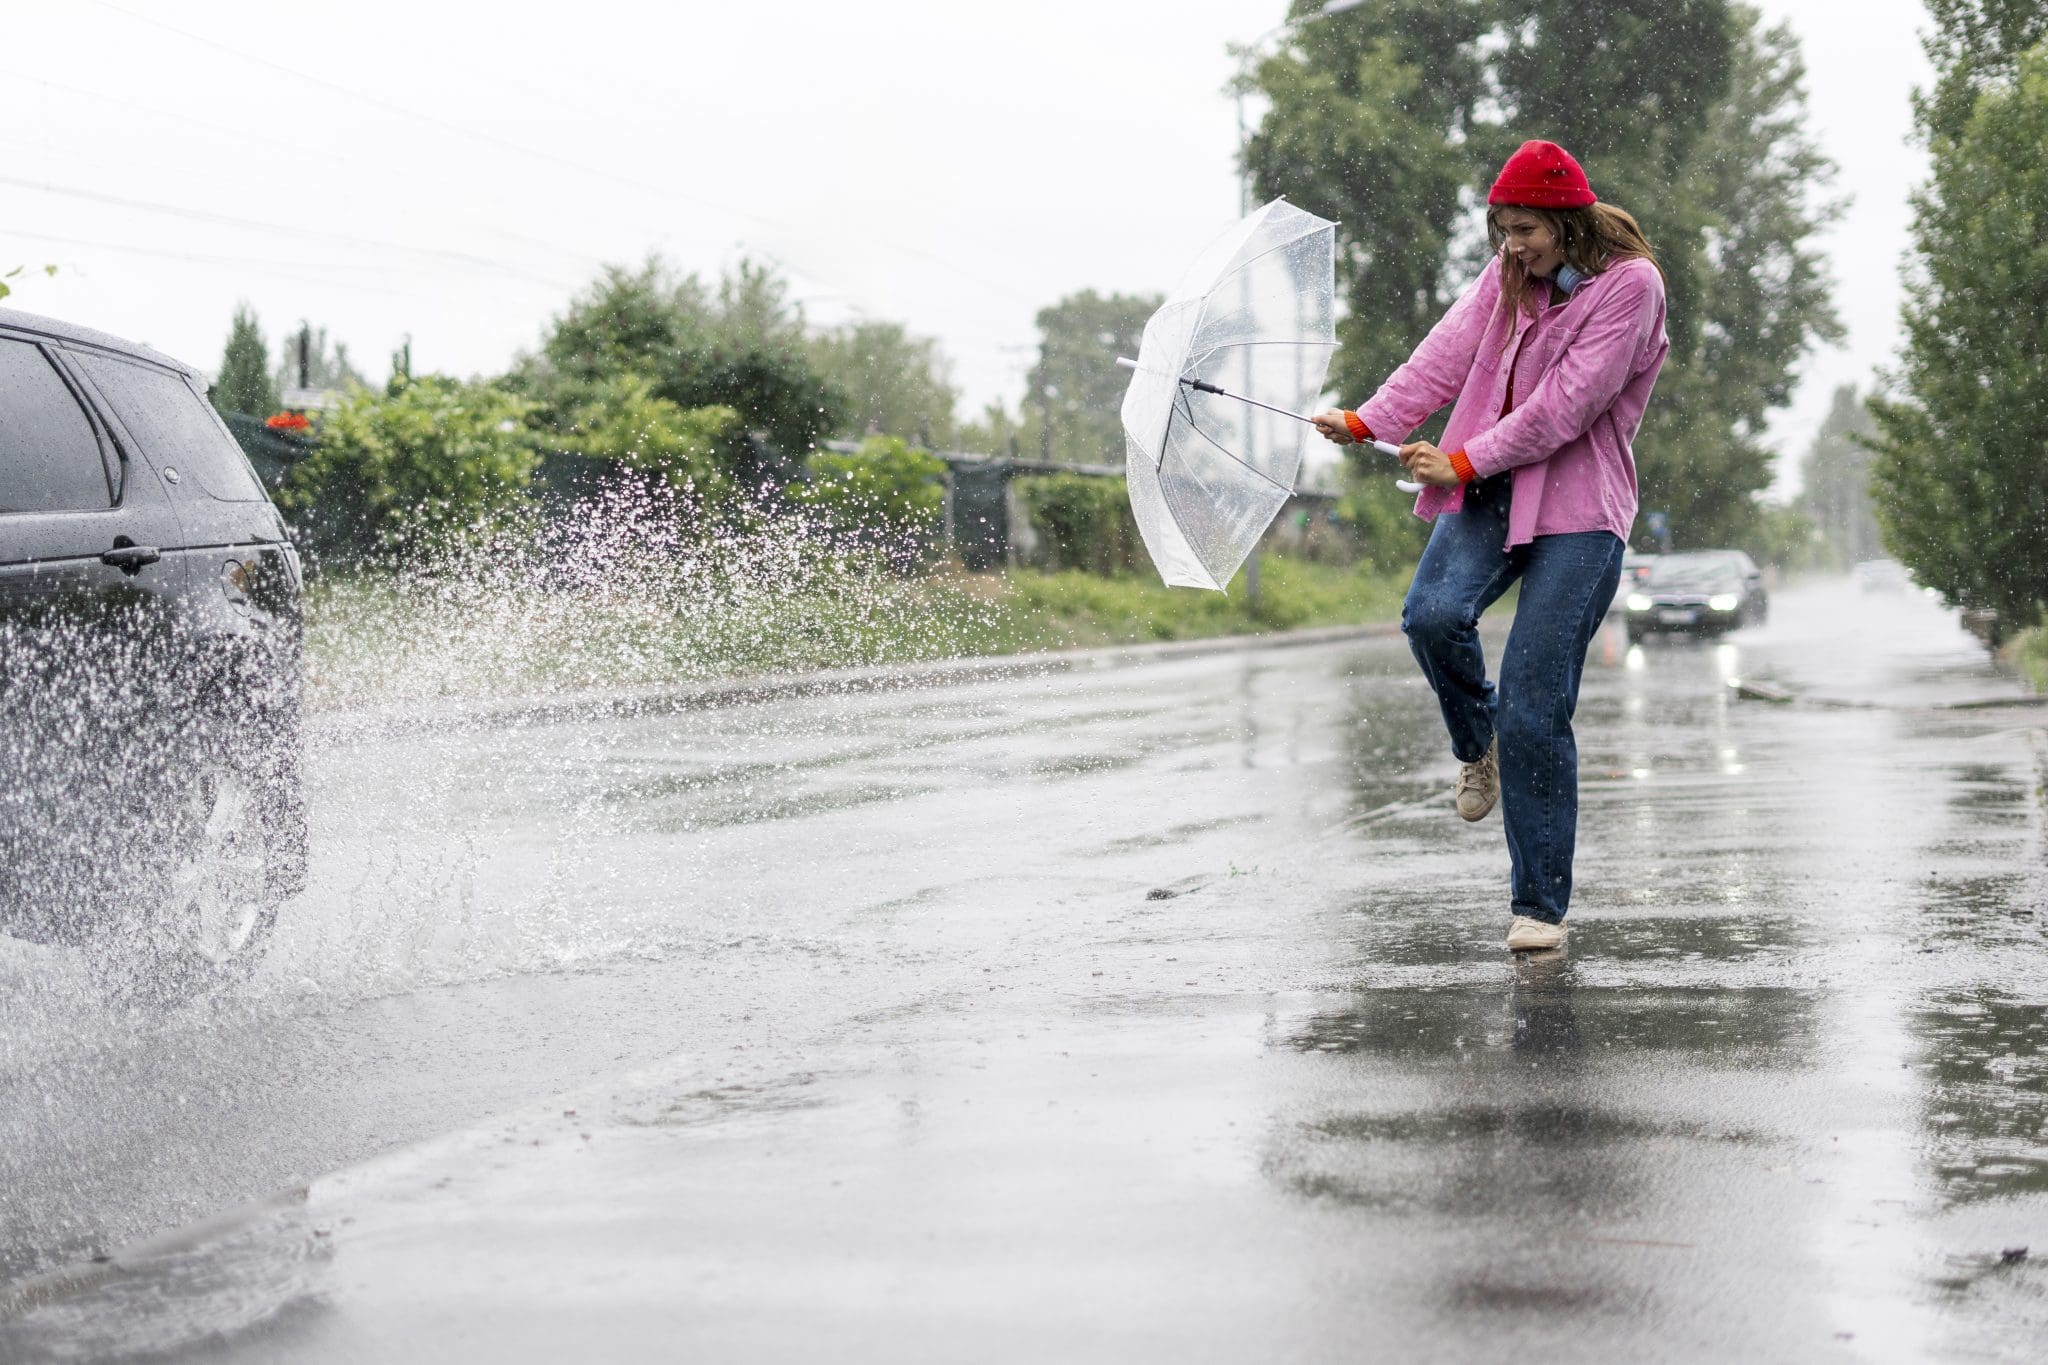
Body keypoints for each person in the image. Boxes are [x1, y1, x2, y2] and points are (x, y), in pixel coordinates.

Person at [1312, 139, 1669, 954]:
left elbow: (1568, 405)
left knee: (1537, 704)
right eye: (1503, 230)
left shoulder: (1631, 287)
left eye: (1526, 230)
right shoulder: (1507, 275)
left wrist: (1462, 457)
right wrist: (1369, 419)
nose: (1514, 245)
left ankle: (1538, 906)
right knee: (1431, 616)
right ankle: (1479, 746)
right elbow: (1448, 349)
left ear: (1567, 220)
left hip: (1579, 510)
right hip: (1488, 490)